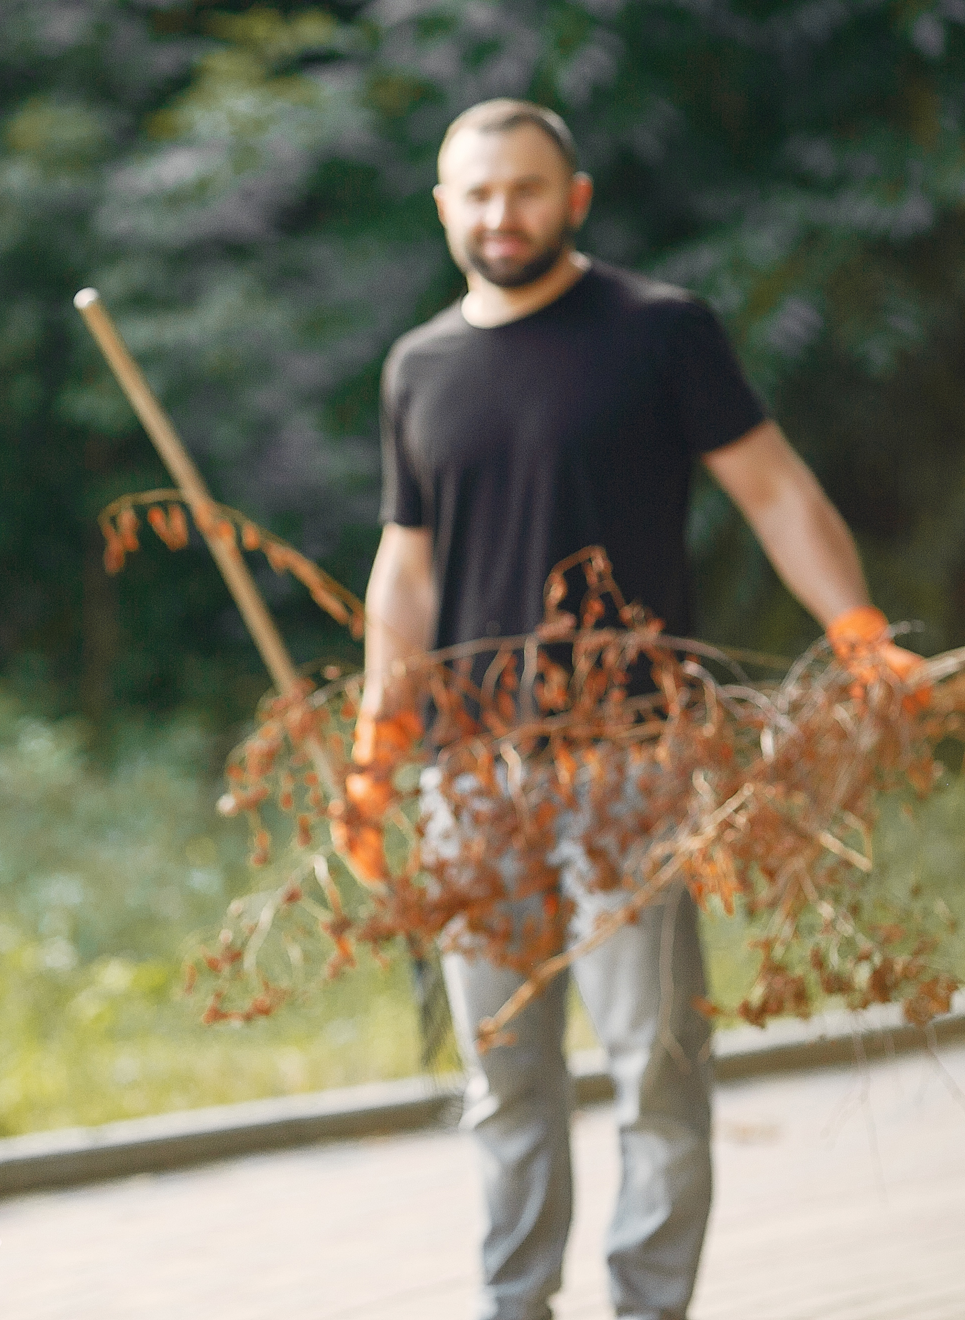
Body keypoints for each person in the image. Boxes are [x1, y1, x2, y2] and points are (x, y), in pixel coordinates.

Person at [348, 100, 922, 1320]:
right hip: (471, 780)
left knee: (656, 1070)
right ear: (444, 207)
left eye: (527, 190)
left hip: (636, 768)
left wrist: (859, 635)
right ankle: (517, 1305)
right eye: (479, 194)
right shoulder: (419, 367)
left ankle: (646, 1307)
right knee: (502, 1078)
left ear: (577, 198)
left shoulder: (661, 331)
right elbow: (407, 569)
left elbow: (775, 493)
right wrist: (372, 755)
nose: (503, 215)